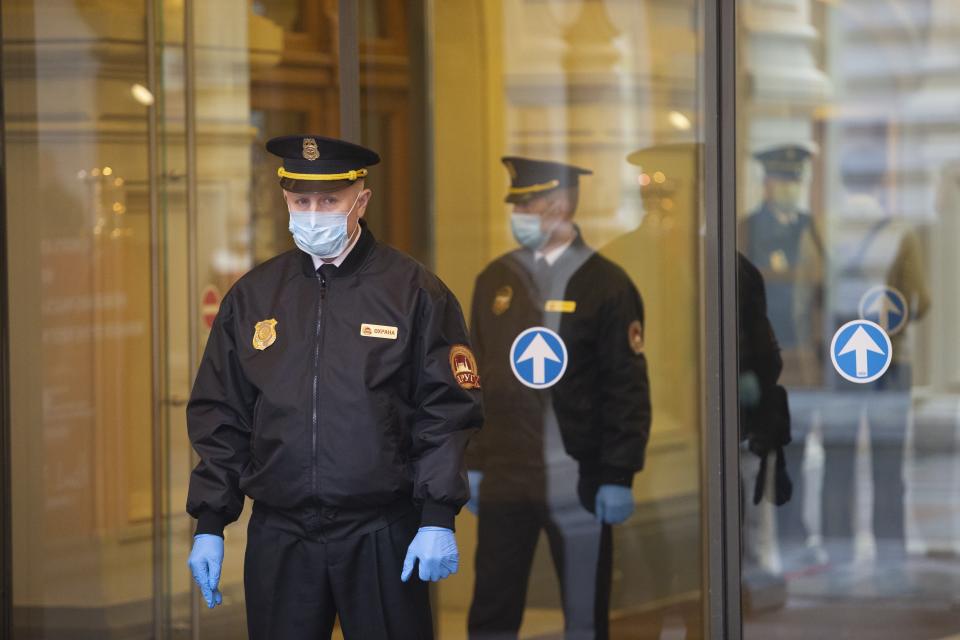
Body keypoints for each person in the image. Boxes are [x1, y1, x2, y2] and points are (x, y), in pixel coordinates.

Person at [184, 135, 484, 640]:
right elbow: (222, 412)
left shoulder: (413, 292)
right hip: (281, 533)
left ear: (360, 201)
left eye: (329, 200)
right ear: (285, 201)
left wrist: (437, 515)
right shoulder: (255, 295)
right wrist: (210, 522)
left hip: (380, 531)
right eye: (302, 201)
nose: (314, 212)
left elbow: (447, 409)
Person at [466, 156, 651, 639]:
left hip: (578, 474)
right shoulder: (496, 280)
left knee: (584, 609)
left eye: (530, 203)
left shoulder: (605, 283)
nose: (520, 214)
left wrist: (617, 474)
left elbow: (625, 385)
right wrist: (472, 459)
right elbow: (476, 378)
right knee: (491, 608)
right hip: (508, 471)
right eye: (518, 204)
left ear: (561, 204)